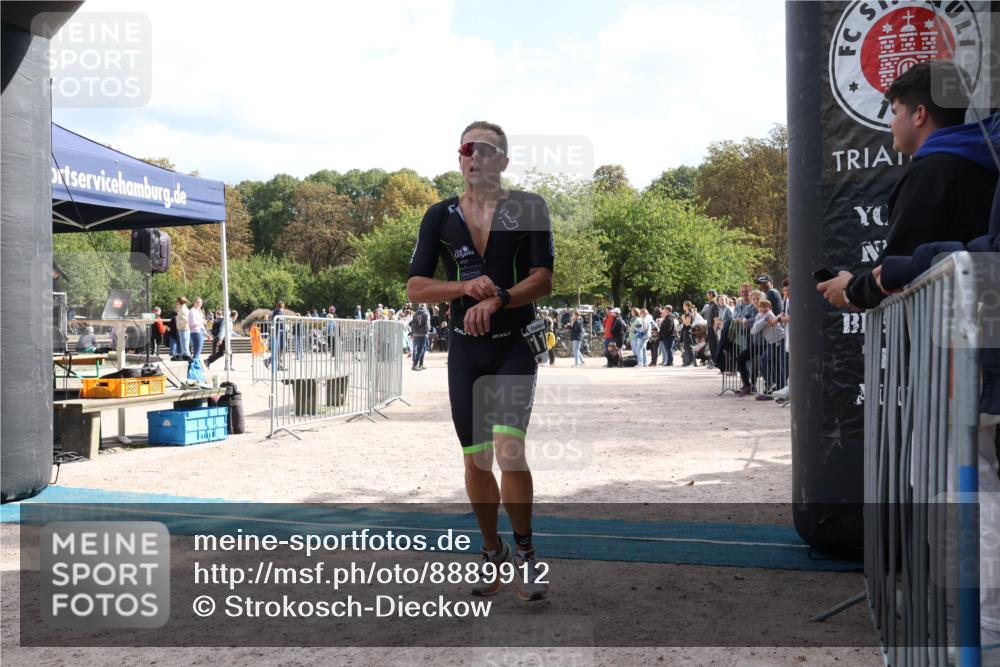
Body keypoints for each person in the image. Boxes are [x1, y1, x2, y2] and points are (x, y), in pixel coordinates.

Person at [406, 120, 554, 601]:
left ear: (503, 161)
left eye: (485, 149)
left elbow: (542, 279)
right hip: (466, 351)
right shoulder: (439, 216)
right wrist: (464, 288)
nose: (473, 157)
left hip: (513, 343)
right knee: (476, 460)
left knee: (510, 449)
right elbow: (416, 287)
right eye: (466, 149)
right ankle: (493, 552)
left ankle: (528, 554)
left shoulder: (529, 207)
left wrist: (499, 298)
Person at [818, 60, 998, 310]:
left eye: (895, 111)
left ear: (919, 115)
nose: (891, 123)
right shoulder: (987, 164)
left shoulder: (928, 173)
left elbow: (899, 264)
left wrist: (851, 291)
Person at [409, 303, 431, 371]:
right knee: (420, 350)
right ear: (425, 307)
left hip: (416, 334)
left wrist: (413, 332)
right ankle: (415, 365)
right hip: (423, 334)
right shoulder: (426, 313)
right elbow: (427, 325)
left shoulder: (415, 314)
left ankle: (421, 364)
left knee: (423, 349)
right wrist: (427, 332)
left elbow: (412, 324)